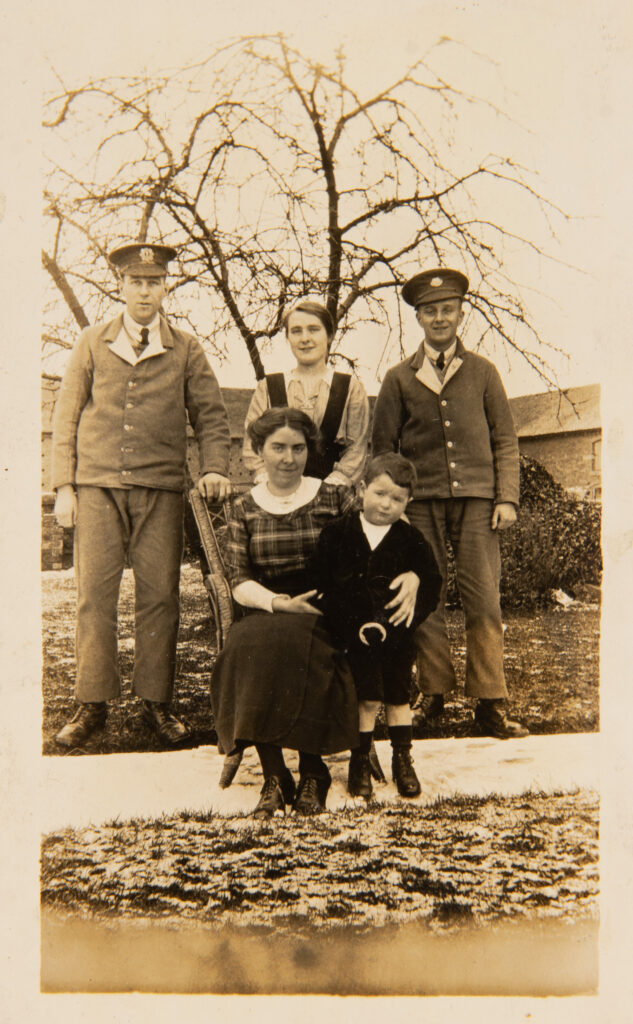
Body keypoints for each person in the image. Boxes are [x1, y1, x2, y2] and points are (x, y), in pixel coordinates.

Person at [51, 242, 231, 749]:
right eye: (136, 281)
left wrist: (215, 467)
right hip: (99, 487)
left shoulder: (187, 348)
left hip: (161, 490)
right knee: (94, 599)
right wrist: (65, 486)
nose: (145, 291)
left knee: (160, 598)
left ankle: (157, 702)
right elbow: (65, 416)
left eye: (154, 282)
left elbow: (213, 417)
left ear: (165, 286)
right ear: (122, 286)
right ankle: (92, 703)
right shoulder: (91, 342)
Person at [372, 268, 528, 739]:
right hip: (419, 506)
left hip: (479, 503)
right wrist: (393, 504)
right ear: (418, 317)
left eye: (447, 309)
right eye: (429, 311)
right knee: (425, 597)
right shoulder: (398, 378)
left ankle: (490, 703)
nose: (439, 318)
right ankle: (433, 695)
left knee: (485, 599)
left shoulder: (483, 372)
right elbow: (384, 449)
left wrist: (507, 498)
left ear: (461, 313)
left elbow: (505, 439)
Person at [211, 407, 360, 817]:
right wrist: (278, 604)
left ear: (308, 451)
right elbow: (239, 579)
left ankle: (314, 772)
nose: (288, 458)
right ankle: (275, 775)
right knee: (247, 646)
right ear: (259, 451)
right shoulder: (244, 507)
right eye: (277, 447)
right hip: (267, 605)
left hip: (327, 603)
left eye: (297, 448)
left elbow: (365, 555)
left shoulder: (335, 496)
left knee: (306, 644)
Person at [310, 453, 442, 801]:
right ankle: (359, 759)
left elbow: (431, 582)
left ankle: (402, 758)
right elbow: (324, 588)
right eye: (380, 493)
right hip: (354, 638)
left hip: (397, 637)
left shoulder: (410, 539)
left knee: (399, 696)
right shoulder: (337, 535)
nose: (386, 504)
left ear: (408, 502)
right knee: (366, 699)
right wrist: (352, 625)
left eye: (397, 499)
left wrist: (408, 606)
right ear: (362, 488)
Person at [242, 299, 369, 487]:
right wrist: (267, 479)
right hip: (278, 490)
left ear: (329, 336)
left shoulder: (350, 387)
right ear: (288, 338)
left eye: (313, 329)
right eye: (296, 331)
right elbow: (252, 445)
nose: (305, 338)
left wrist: (332, 487)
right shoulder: (268, 387)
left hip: (331, 496)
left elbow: (357, 449)